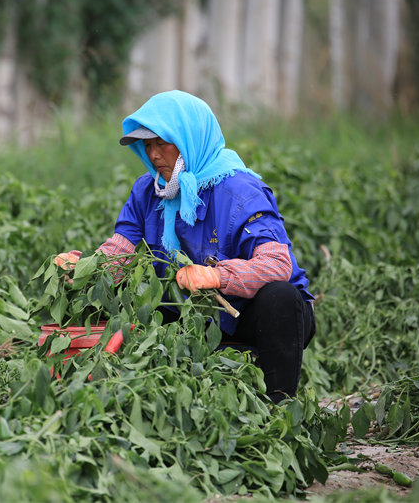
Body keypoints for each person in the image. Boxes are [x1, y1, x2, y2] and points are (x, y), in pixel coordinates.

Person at [55, 90, 315, 403]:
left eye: (161, 143)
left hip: (252, 316)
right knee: (135, 304)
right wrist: (83, 269)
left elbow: (277, 263)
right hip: (194, 314)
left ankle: (279, 407)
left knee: (280, 297)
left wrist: (217, 276)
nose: (153, 155)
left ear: (189, 139)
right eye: (147, 145)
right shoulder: (148, 192)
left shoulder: (240, 191)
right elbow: (119, 253)